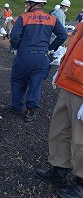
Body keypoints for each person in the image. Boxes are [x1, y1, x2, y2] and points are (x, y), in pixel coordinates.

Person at [35, 22, 83, 198]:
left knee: (81, 140)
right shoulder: (82, 24)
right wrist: (61, 71)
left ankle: (81, 184)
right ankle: (59, 171)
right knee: (59, 130)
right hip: (69, 85)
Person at [9, 0, 67, 122]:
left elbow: (14, 36)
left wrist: (15, 46)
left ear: (32, 3)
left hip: (24, 56)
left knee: (18, 81)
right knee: (36, 84)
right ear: (42, 4)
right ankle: (30, 111)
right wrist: (50, 47)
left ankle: (16, 106)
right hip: (42, 57)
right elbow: (63, 35)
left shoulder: (24, 17)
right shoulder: (52, 19)